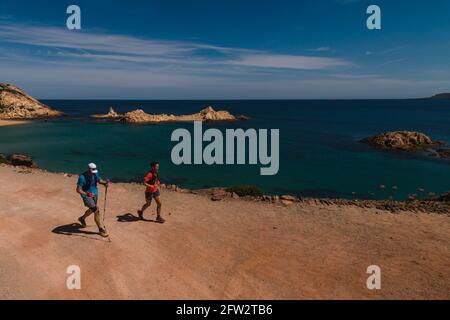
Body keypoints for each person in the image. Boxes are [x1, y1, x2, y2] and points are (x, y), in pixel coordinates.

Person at [76, 163, 110, 237]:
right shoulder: (82, 177)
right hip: (87, 196)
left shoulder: (95, 173)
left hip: (95, 194)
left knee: (92, 209)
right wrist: (86, 194)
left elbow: (99, 180)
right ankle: (101, 229)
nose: (94, 172)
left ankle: (82, 218)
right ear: (88, 169)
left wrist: (105, 183)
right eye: (92, 170)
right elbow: (78, 190)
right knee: (96, 209)